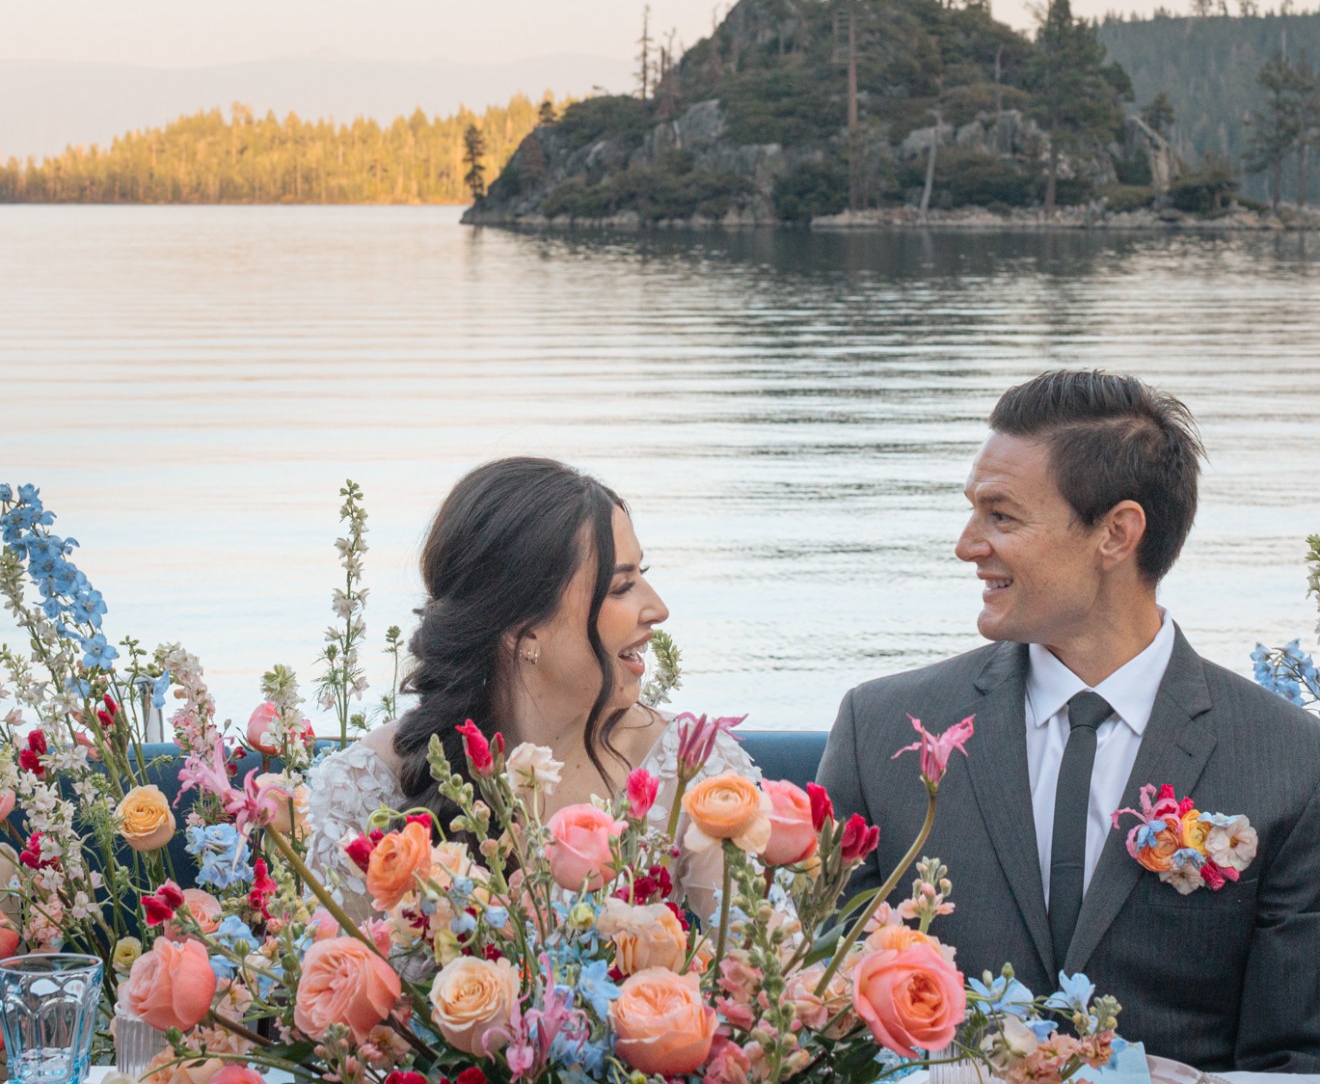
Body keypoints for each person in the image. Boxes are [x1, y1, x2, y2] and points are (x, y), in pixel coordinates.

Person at [820, 370, 1320, 1072]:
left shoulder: (1292, 763)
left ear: (1116, 534)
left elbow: (1296, 1060)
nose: (967, 545)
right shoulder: (879, 733)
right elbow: (820, 1016)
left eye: (1002, 516)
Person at [308, 456, 756, 921]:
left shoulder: (692, 773)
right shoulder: (366, 791)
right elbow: (335, 977)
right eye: (621, 587)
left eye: (642, 575)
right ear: (524, 630)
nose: (657, 609)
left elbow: (766, 973)